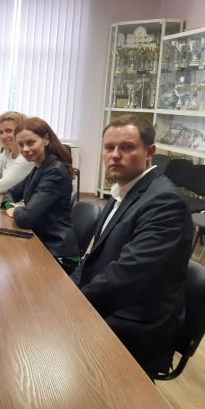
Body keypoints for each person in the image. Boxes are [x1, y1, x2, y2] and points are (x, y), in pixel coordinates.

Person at [72, 115, 192, 375]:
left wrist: (71, 308)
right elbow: (92, 257)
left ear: (150, 152)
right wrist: (67, 291)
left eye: (126, 147)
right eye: (109, 147)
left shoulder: (165, 203)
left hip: (135, 326)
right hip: (111, 306)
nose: (115, 155)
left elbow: (126, 275)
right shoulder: (123, 191)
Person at [2, 117, 78, 271]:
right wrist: (11, 205)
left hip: (57, 251)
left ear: (46, 140)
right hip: (41, 239)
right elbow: (10, 192)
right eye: (21, 144)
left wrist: (16, 210)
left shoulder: (54, 171)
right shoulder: (40, 166)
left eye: (31, 143)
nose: (25, 149)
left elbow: (26, 218)